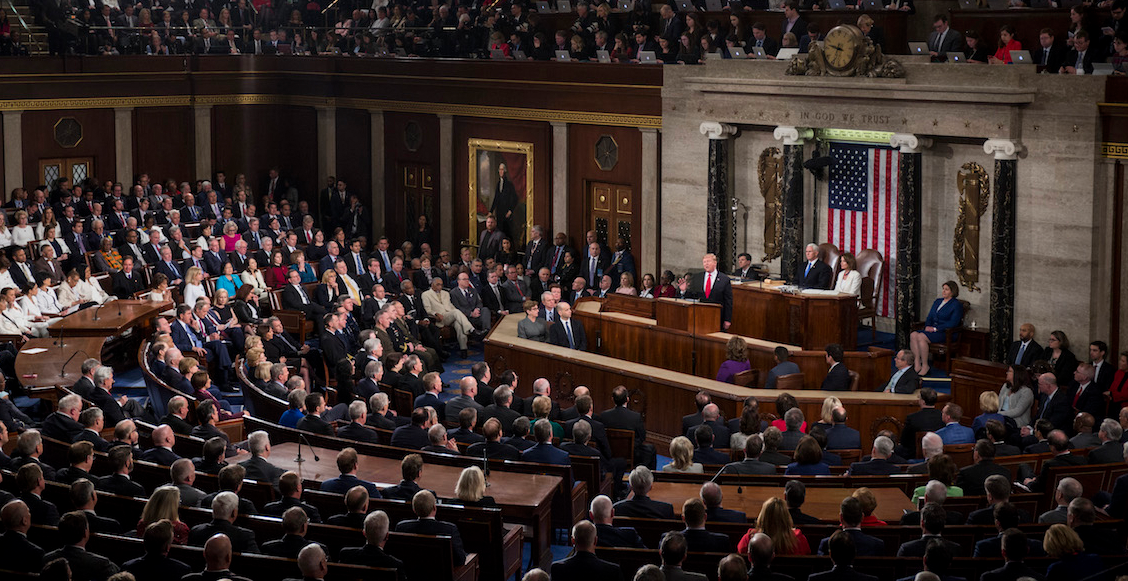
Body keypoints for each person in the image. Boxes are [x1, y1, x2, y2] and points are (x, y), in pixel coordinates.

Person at [909, 281, 963, 377]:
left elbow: (953, 323)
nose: (943, 291)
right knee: (913, 335)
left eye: (946, 289)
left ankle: (925, 365)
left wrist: (935, 329)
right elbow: (930, 317)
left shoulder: (956, 305)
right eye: (943, 289)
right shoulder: (938, 301)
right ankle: (917, 364)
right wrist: (927, 326)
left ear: (952, 291)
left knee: (921, 337)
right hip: (932, 330)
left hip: (945, 333)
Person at [737, 496, 810, 555]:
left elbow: (740, 555)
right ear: (786, 517)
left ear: (763, 516)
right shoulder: (799, 540)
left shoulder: (750, 539)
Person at [678, 253, 733, 330]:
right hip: (699, 315)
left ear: (715, 262)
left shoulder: (724, 279)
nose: (706, 264)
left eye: (708, 261)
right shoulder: (697, 277)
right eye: (704, 262)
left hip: (717, 316)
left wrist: (727, 320)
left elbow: (728, 301)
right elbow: (691, 296)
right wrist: (684, 291)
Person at [999, 364, 1036, 428]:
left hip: (1017, 422)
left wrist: (999, 414)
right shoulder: (1005, 386)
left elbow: (1017, 411)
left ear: (1017, 374)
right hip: (1001, 417)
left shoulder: (1026, 392)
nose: (1007, 373)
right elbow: (998, 402)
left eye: (1009, 371)